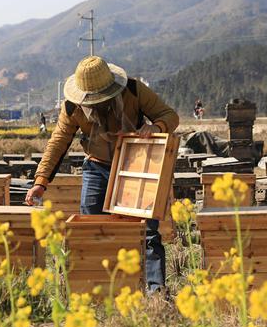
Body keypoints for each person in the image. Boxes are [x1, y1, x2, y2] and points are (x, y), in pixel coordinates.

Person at [25, 56, 179, 293]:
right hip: (96, 168)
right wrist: (40, 182)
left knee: (147, 230)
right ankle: (97, 290)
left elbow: (169, 115)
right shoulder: (72, 107)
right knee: (91, 229)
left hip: (136, 164)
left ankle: (156, 291)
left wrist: (155, 127)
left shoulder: (134, 90)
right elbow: (57, 143)